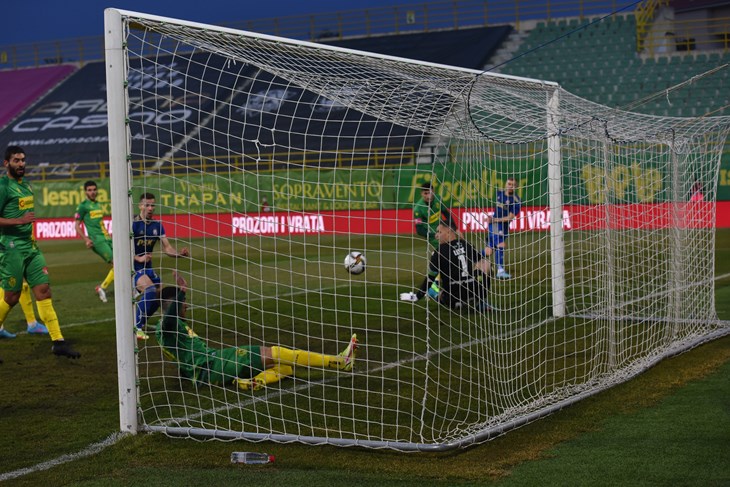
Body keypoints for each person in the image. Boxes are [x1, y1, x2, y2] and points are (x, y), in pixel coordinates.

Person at [157, 272, 358, 390]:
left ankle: (254, 381)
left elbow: (182, 356)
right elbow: (167, 322)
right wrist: (181, 291)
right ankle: (340, 362)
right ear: (173, 304)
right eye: (183, 303)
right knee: (278, 353)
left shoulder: (174, 327)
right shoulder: (165, 327)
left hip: (214, 366)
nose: (187, 306)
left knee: (286, 368)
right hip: (215, 365)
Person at [0, 146, 79, 358]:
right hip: (11, 247)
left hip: (31, 247)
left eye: (23, 160)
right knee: (11, 297)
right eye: (16, 160)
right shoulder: (3, 186)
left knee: (44, 291)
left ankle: (58, 341)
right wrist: (19, 221)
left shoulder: (26, 186)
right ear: (6, 163)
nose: (21, 164)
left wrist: (29, 230)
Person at [400, 218, 492, 311]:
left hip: (453, 300)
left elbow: (430, 278)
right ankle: (481, 301)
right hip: (474, 293)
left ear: (448, 232)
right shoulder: (465, 244)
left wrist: (417, 296)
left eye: (439, 232)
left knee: (436, 275)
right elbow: (478, 257)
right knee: (486, 263)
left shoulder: (439, 252)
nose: (436, 236)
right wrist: (488, 250)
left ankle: (433, 293)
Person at [133, 192, 189, 340]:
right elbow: (118, 248)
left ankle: (141, 322)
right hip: (132, 268)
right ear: (140, 206)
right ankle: (136, 328)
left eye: (152, 205)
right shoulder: (132, 224)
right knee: (150, 289)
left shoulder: (157, 225)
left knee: (159, 294)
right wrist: (137, 258)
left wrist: (179, 254)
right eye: (147, 205)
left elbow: (167, 247)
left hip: (148, 269)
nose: (150, 208)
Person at [75, 180, 114, 303]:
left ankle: (104, 288)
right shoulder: (83, 206)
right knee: (117, 264)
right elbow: (76, 225)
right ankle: (102, 288)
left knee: (123, 263)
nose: (92, 192)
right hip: (97, 241)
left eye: (94, 190)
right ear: (85, 192)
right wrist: (86, 239)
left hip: (107, 238)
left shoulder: (98, 204)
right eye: (89, 190)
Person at [484, 177, 521, 280]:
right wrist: (492, 218)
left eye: (513, 185)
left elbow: (510, 217)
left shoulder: (516, 200)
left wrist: (495, 219)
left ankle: (472, 258)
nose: (510, 186)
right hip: (495, 225)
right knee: (501, 245)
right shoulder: (499, 193)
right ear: (505, 184)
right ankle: (500, 271)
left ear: (516, 187)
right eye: (509, 184)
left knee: (489, 251)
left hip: (503, 226)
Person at [413, 181, 450, 249]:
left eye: (430, 193)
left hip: (443, 231)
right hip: (433, 236)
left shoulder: (438, 198)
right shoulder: (417, 209)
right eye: (425, 193)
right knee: (445, 252)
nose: (428, 196)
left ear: (433, 192)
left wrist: (455, 228)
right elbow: (419, 229)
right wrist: (433, 235)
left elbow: (446, 213)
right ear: (421, 194)